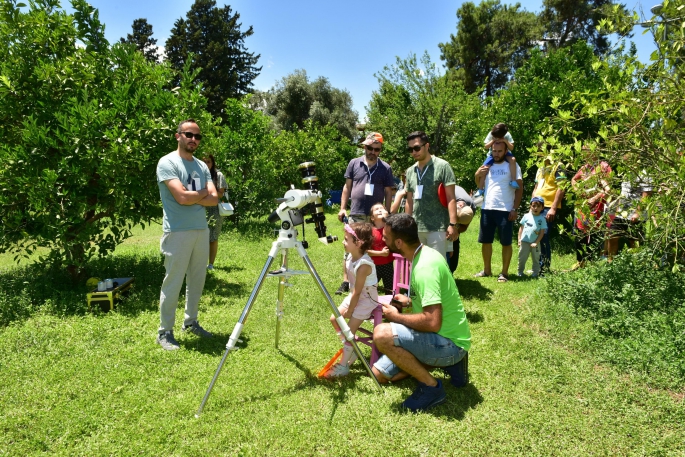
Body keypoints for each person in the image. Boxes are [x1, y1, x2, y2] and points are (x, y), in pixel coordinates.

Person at [372, 213, 471, 413]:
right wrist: (409, 301)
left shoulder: (425, 267)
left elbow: (432, 321)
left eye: (386, 237)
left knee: (382, 334)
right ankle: (447, 365)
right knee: (378, 374)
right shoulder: (424, 254)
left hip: (448, 341)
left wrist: (395, 317)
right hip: (437, 337)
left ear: (399, 242)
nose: (382, 239)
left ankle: (431, 387)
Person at [155, 119, 218, 350]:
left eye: (198, 136)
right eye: (189, 134)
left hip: (200, 229)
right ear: (178, 136)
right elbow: (181, 198)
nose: (194, 139)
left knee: (197, 280)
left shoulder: (201, 166)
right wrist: (200, 195)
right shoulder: (167, 163)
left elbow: (214, 199)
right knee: (173, 281)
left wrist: (194, 195)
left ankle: (190, 322)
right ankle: (165, 332)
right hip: (177, 232)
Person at [335, 132, 394, 294]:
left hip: (375, 217)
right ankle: (346, 281)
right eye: (370, 148)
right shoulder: (354, 163)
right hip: (356, 213)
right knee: (351, 248)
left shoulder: (386, 168)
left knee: (372, 247)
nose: (373, 152)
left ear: (380, 150)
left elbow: (389, 192)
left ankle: (368, 280)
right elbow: (347, 187)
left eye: (377, 149)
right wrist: (342, 208)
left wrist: (386, 212)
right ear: (364, 146)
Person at [323, 222, 378, 378]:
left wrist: (351, 310)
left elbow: (358, 292)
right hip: (355, 295)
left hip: (366, 300)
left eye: (346, 239)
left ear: (358, 243)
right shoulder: (350, 257)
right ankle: (351, 348)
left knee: (348, 331)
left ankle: (343, 367)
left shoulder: (364, 265)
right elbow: (354, 291)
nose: (343, 242)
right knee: (334, 319)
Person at [404, 131, 459, 258]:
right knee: (416, 266)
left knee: (437, 265)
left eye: (417, 148)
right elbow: (409, 200)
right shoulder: (410, 171)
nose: (414, 152)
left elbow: (451, 198)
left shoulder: (443, 166)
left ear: (427, 146)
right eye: (410, 149)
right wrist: (406, 225)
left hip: (438, 226)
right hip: (416, 227)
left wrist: (452, 224)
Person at [474, 140, 523, 283]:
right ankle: (487, 270)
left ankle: (504, 273)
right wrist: (477, 174)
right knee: (486, 241)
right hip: (487, 207)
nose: (496, 154)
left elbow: (519, 189)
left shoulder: (512, 166)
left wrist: (514, 208)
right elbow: (480, 187)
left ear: (506, 150)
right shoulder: (487, 165)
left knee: (506, 242)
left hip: (505, 209)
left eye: (499, 151)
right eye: (494, 151)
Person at [570, 156, 612, 269]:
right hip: (583, 205)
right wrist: (577, 190)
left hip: (597, 206)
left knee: (594, 233)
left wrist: (594, 199)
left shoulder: (604, 166)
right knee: (579, 233)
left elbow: (608, 188)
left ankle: (592, 262)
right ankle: (580, 261)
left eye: (586, 151)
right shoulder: (585, 167)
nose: (584, 153)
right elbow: (573, 179)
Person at [531, 150, 566, 275]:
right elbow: (536, 188)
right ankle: (537, 266)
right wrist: (532, 205)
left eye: (540, 152)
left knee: (543, 236)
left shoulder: (559, 166)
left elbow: (562, 187)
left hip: (548, 207)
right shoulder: (540, 168)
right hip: (537, 207)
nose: (539, 155)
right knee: (535, 236)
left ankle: (544, 269)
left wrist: (553, 208)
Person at [474, 123, 517, 198]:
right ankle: (480, 189)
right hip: (492, 155)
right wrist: (493, 140)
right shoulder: (491, 134)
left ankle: (513, 180)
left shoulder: (507, 135)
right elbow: (486, 146)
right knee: (484, 169)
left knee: (513, 160)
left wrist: (505, 141)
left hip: (506, 153)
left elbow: (511, 148)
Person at [202, 154, 227, 271]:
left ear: (213, 163)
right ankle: (200, 263)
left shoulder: (218, 175)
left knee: (213, 237)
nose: (207, 164)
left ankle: (211, 264)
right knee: (201, 237)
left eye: (209, 162)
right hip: (201, 208)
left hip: (215, 209)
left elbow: (221, 193)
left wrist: (208, 192)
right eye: (204, 162)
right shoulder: (198, 174)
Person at [447, 186, 476, 274]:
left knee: (453, 237)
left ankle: (450, 269)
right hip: (446, 203)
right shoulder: (450, 198)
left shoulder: (472, 208)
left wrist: (455, 230)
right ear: (459, 205)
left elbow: (464, 227)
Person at [367, 203, 394, 293]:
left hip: (388, 264)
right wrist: (381, 253)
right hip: (374, 266)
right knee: (370, 289)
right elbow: (365, 251)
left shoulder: (390, 228)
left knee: (390, 290)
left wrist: (387, 219)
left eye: (382, 208)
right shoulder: (369, 231)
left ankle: (390, 304)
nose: (380, 210)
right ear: (372, 218)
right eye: (376, 209)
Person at [517, 197, 547, 278]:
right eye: (533, 206)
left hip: (535, 243)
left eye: (538, 206)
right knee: (522, 258)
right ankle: (520, 272)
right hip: (524, 242)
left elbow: (542, 232)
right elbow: (521, 228)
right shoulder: (526, 216)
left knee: (536, 259)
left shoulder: (542, 219)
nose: (535, 208)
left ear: (542, 208)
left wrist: (536, 242)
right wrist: (519, 239)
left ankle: (535, 273)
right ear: (530, 206)